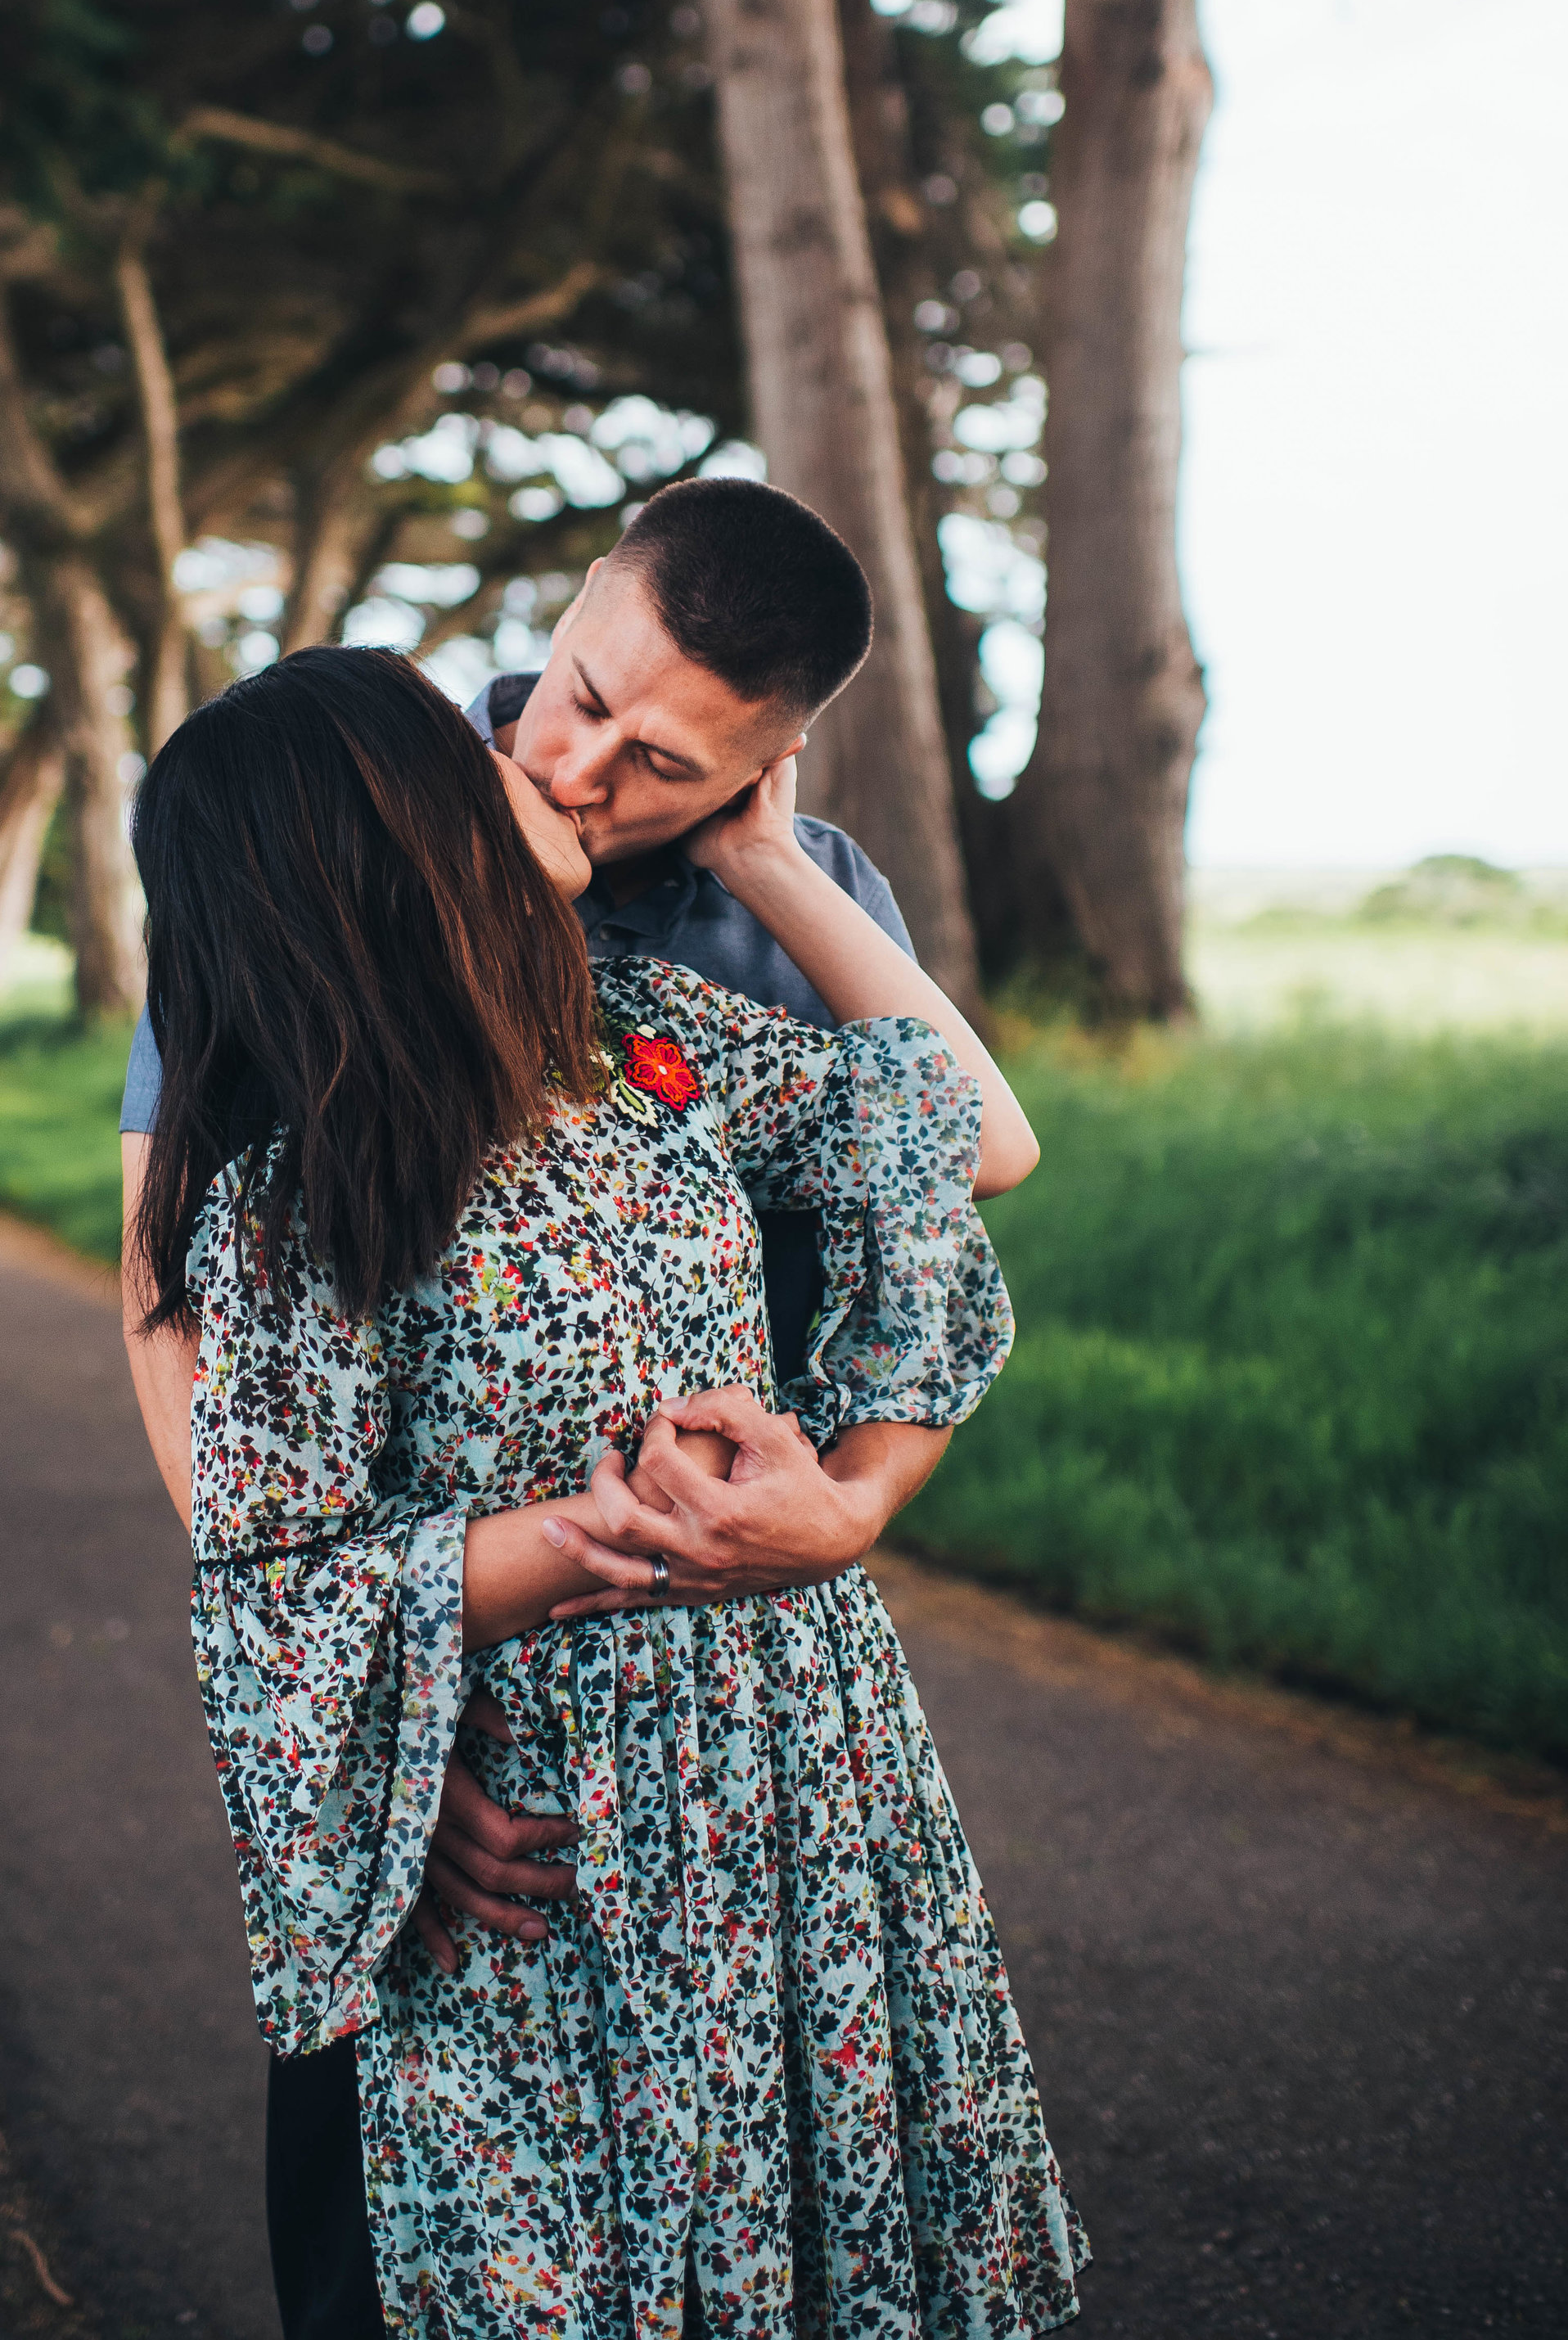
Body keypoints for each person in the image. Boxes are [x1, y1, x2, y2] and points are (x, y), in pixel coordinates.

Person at [125, 618, 1087, 2329]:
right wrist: (390, 1768)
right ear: (389, 850)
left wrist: (851, 1492)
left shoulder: (643, 1032)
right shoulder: (301, 1194)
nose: (538, 764)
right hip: (545, 1817)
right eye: (473, 755)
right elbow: (274, 1578)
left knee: (799, 2239)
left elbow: (941, 1150)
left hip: (785, 1764)